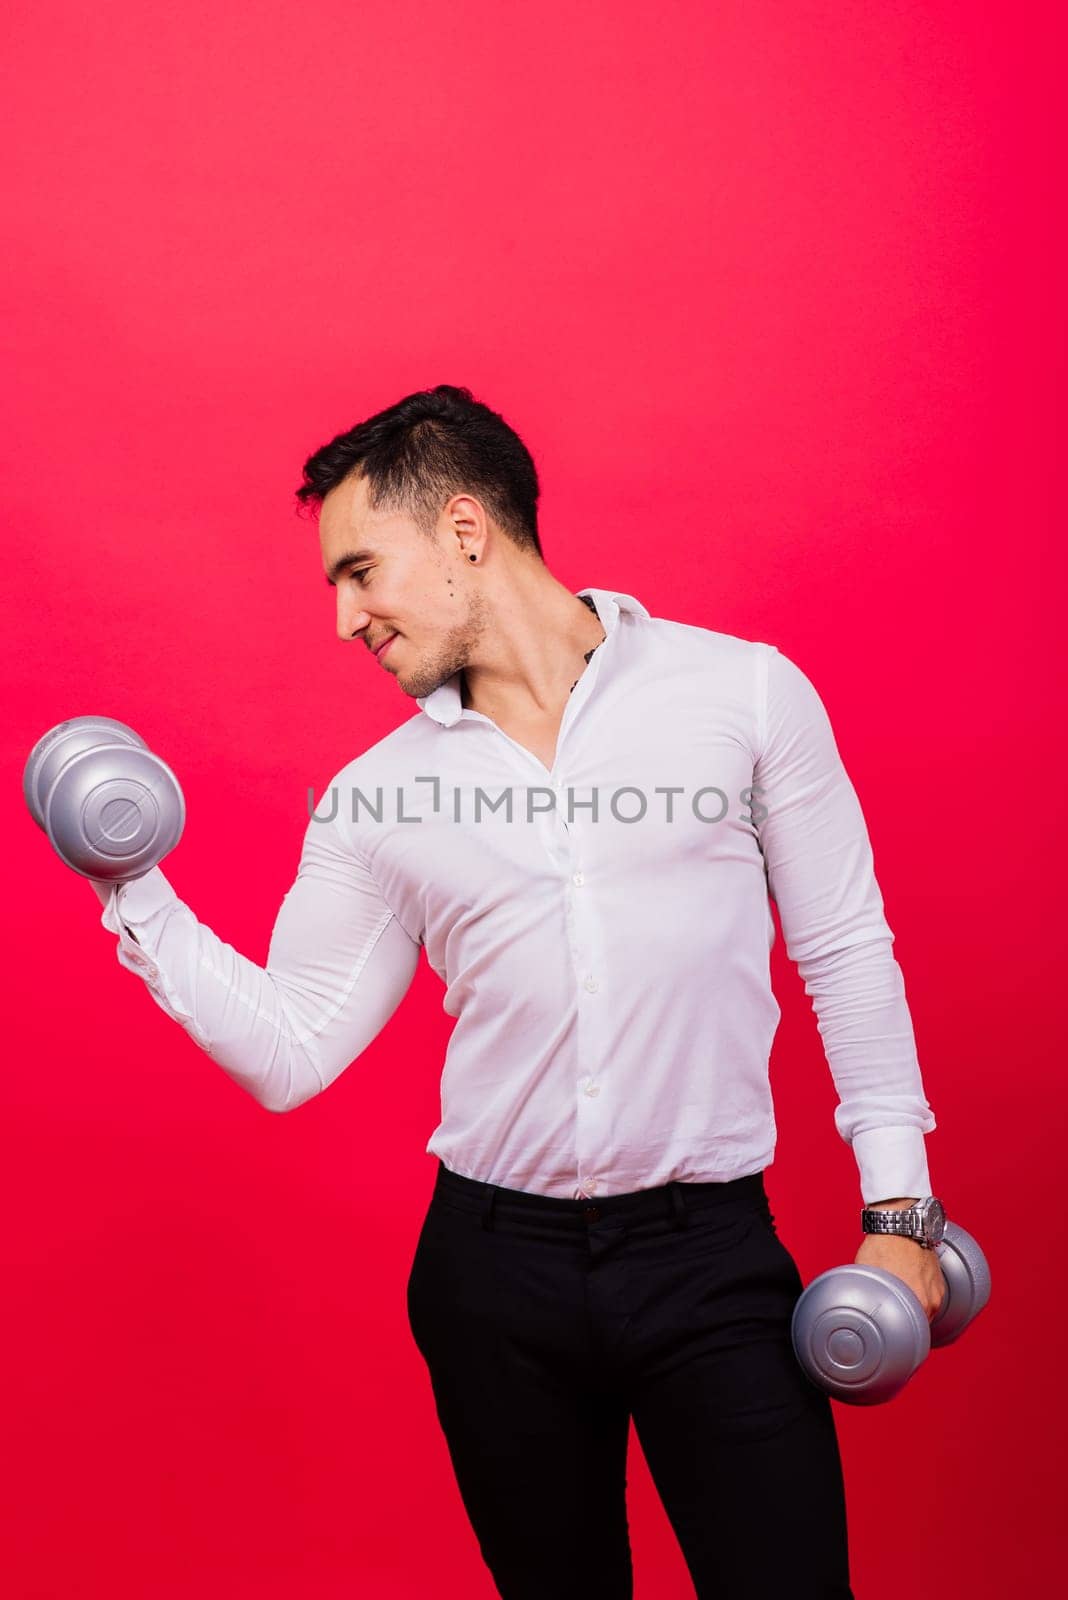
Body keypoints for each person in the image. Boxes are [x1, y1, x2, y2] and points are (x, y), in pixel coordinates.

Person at [90, 383, 945, 1598]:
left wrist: (900, 1212)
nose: (342, 618)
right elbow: (294, 1048)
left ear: (463, 531)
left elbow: (846, 946)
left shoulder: (742, 696)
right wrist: (136, 886)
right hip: (495, 1278)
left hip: (710, 1257)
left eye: (359, 571)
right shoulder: (376, 796)